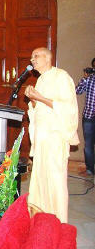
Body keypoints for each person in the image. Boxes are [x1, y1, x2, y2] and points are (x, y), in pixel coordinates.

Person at [25, 47, 79, 223]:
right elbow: (37, 111)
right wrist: (33, 101)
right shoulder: (41, 80)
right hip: (41, 139)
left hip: (55, 138)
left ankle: (59, 222)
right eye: (32, 57)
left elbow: (68, 108)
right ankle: (41, 219)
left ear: (48, 58)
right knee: (40, 180)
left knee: (55, 182)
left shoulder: (61, 77)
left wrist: (39, 98)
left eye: (36, 56)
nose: (32, 59)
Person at [76, 57, 95, 176]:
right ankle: (90, 169)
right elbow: (77, 91)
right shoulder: (89, 79)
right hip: (89, 116)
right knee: (88, 144)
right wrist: (85, 78)